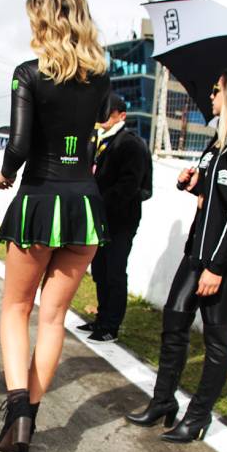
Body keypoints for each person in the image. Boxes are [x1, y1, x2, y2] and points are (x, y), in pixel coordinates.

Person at [0, 0, 110, 452]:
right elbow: (90, 130)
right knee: (55, 316)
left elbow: (19, 145)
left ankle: (17, 409)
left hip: (40, 198)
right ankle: (31, 416)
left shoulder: (27, 74)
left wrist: (5, 174)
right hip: (84, 204)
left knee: (16, 310)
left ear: (40, 20)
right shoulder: (102, 78)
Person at [126, 70, 227, 443]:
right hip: (196, 253)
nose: (209, 96)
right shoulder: (216, 144)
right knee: (174, 320)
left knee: (217, 338)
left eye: (215, 90)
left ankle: (197, 418)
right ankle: (163, 402)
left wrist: (217, 267)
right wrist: (191, 182)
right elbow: (210, 198)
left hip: (221, 263)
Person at [79, 93, 151, 343]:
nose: (103, 119)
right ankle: (102, 318)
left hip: (120, 219)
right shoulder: (101, 140)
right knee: (99, 269)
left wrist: (100, 202)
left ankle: (111, 325)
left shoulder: (129, 143)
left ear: (121, 116)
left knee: (115, 271)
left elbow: (129, 185)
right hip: (101, 217)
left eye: (108, 114)